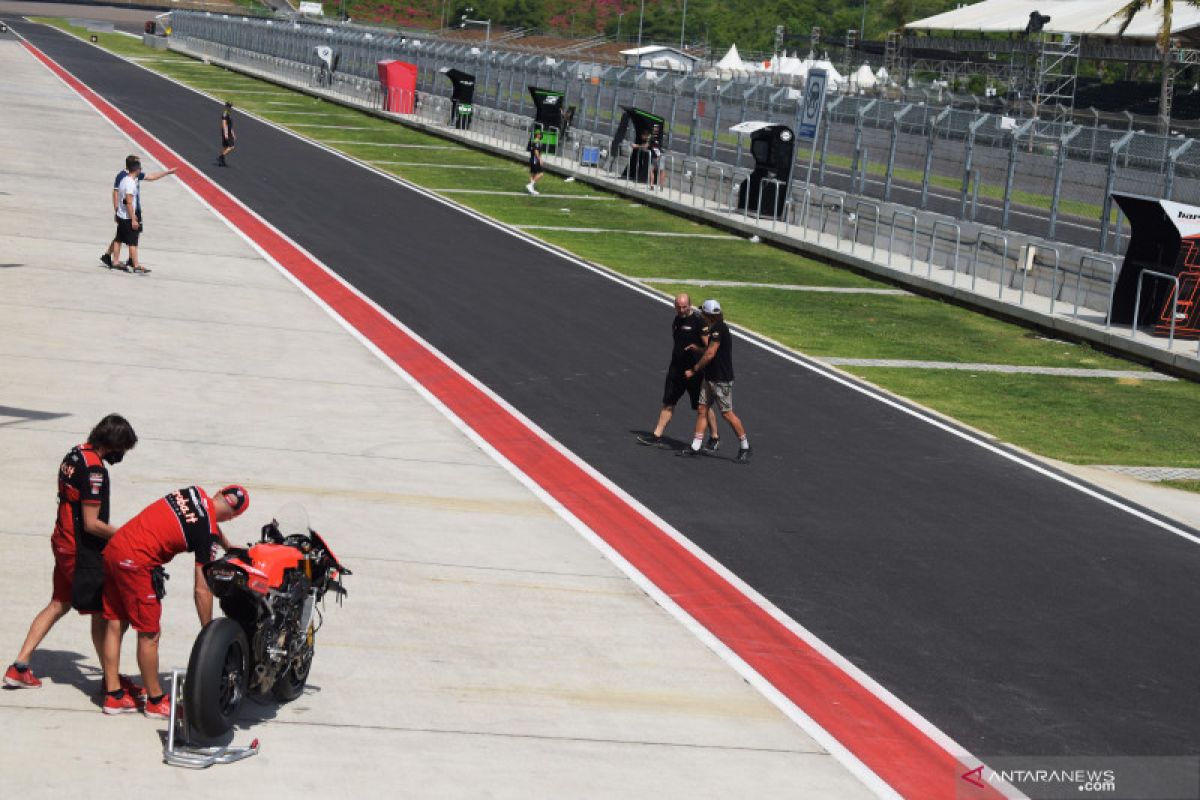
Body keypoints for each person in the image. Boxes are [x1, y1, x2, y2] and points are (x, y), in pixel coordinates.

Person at [5, 414, 139, 690]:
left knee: (59, 603)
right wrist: (125, 535)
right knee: (102, 612)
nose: (122, 455)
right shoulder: (94, 471)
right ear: (113, 444)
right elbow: (91, 524)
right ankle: (110, 680)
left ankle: (19, 666)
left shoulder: (76, 453)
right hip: (80, 551)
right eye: (122, 449)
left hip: (63, 541)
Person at [99, 484, 249, 717]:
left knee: (115, 622)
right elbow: (202, 590)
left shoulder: (194, 492)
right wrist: (209, 632)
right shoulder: (206, 535)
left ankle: (113, 694)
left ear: (218, 493)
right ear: (232, 517)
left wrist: (227, 546)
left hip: (115, 549)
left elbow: (207, 521)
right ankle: (155, 700)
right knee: (149, 634)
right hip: (138, 563)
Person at [637, 293, 718, 449]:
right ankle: (656, 435)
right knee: (668, 401)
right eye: (678, 307)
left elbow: (709, 349)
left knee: (702, 407)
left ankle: (714, 436)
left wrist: (696, 352)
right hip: (676, 370)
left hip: (695, 372)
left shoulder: (699, 322)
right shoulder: (676, 320)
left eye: (684, 307)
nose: (681, 310)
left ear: (690, 305)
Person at [678, 299, 752, 463]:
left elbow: (711, 353)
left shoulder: (719, 328)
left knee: (727, 414)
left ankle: (745, 446)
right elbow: (710, 349)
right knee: (702, 409)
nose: (702, 315)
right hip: (710, 377)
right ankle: (695, 446)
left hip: (721, 379)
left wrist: (694, 369)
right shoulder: (715, 328)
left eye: (703, 313)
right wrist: (697, 348)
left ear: (708, 315)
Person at [101, 155, 177, 270]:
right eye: (139, 165)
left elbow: (151, 177)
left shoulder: (134, 175)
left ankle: (114, 257)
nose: (141, 168)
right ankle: (131, 262)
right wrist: (116, 210)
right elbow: (116, 193)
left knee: (121, 236)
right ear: (134, 166)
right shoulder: (122, 177)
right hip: (128, 211)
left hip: (132, 210)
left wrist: (166, 172)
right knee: (130, 238)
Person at [112, 159, 151, 275]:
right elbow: (129, 202)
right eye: (140, 169)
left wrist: (117, 212)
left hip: (121, 215)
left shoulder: (123, 180)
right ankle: (136, 265)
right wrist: (133, 219)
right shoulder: (130, 183)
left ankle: (115, 262)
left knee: (118, 239)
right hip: (128, 217)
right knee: (132, 242)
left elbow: (121, 198)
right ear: (137, 170)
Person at [217, 101, 236, 167]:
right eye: (229, 106)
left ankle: (221, 161)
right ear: (226, 106)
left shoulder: (228, 113)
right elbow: (224, 124)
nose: (230, 108)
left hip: (228, 131)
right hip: (226, 132)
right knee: (231, 146)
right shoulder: (225, 114)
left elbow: (229, 124)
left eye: (231, 106)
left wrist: (232, 132)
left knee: (225, 147)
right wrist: (226, 133)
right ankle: (221, 157)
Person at [526, 129, 544, 196]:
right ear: (538, 135)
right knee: (541, 173)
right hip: (535, 160)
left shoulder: (534, 141)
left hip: (533, 159)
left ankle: (531, 189)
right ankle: (530, 185)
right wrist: (540, 159)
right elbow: (536, 151)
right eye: (540, 134)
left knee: (533, 175)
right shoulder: (536, 141)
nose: (541, 135)